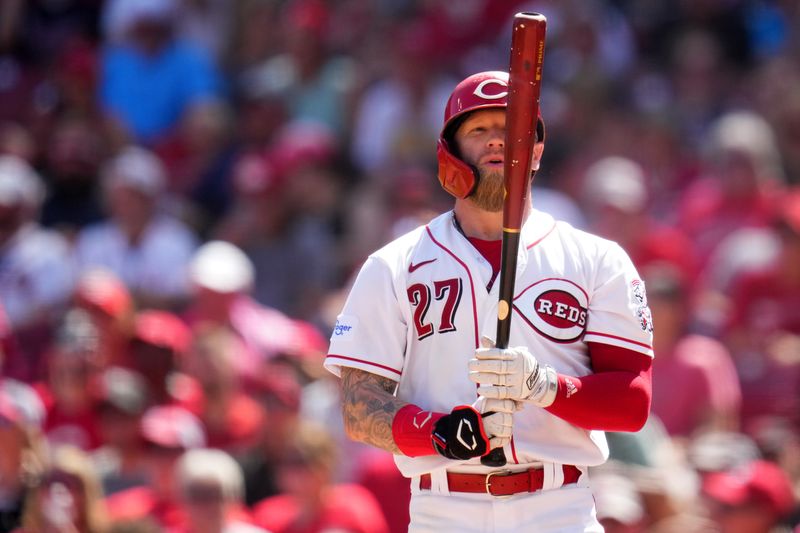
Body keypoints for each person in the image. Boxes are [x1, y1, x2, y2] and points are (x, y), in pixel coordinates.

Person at [325, 71, 654, 533]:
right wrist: (439, 433)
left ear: (535, 150)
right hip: (444, 510)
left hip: (559, 507)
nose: (496, 142)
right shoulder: (393, 264)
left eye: (509, 129)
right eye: (479, 131)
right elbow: (359, 407)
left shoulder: (596, 259)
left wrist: (545, 386)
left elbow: (632, 402)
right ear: (451, 151)